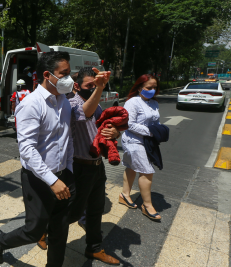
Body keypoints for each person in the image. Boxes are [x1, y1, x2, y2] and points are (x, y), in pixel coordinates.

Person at [0, 51, 76, 266]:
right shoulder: (31, 104)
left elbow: (68, 138)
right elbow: (27, 149)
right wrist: (52, 181)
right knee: (34, 230)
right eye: (64, 74)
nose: (69, 78)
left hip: (63, 175)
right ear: (48, 75)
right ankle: (1, 241)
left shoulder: (63, 101)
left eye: (69, 73)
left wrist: (68, 171)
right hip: (38, 179)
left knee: (60, 229)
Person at [60, 67, 120, 264]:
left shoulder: (98, 104)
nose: (93, 89)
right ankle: (43, 230)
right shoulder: (72, 103)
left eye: (95, 85)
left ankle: (94, 248)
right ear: (77, 86)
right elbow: (85, 114)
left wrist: (114, 133)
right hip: (79, 168)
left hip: (97, 165)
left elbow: (103, 126)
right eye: (90, 86)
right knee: (72, 212)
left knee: (96, 209)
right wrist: (100, 89)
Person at [121, 74, 162, 221]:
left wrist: (159, 130)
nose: (152, 90)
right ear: (140, 88)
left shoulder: (154, 103)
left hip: (148, 142)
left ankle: (124, 195)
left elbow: (156, 121)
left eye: (154, 88)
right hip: (133, 140)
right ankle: (147, 205)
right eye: (148, 87)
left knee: (131, 167)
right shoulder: (133, 102)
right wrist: (151, 131)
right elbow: (129, 124)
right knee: (146, 171)